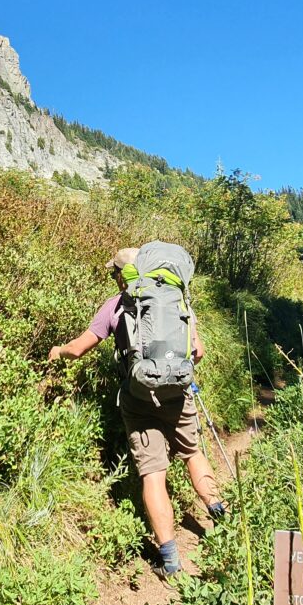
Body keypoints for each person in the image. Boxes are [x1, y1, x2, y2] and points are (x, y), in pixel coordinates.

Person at [48, 247, 227, 577]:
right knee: (191, 452)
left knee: (153, 473)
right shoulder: (176, 301)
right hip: (178, 394)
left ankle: (171, 560)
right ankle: (221, 517)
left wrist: (57, 351)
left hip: (138, 399)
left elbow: (79, 348)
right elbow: (198, 352)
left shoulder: (115, 306)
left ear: (121, 275)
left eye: (113, 272)